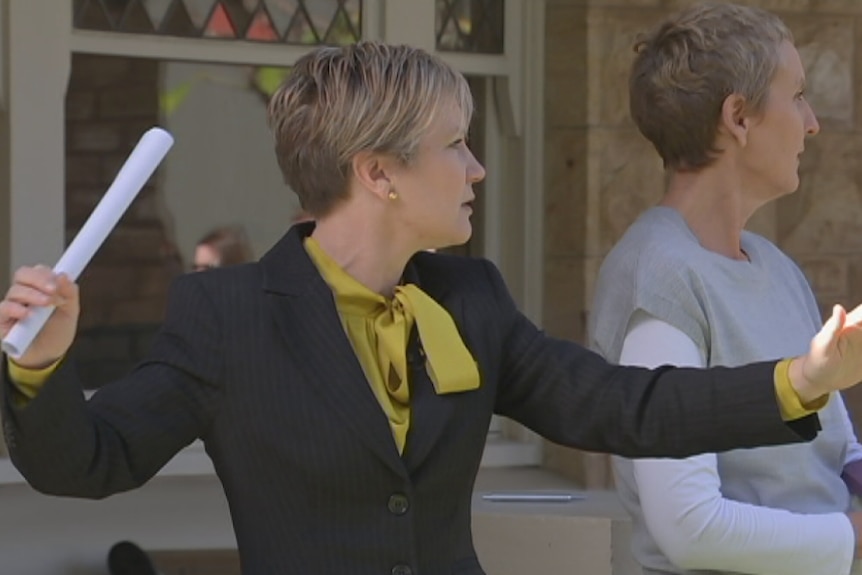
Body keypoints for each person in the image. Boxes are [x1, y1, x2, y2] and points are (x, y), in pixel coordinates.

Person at [1, 41, 862, 575]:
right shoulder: (226, 314)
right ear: (378, 173)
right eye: (455, 145)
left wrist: (802, 377)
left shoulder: (470, 296)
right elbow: (89, 462)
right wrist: (40, 367)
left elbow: (623, 405)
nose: (478, 168)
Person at [590, 4, 862, 575]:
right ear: (738, 117)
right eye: (797, 96)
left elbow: (840, 451)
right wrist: (850, 537)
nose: (812, 122)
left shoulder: (776, 267)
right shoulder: (658, 276)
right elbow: (690, 527)